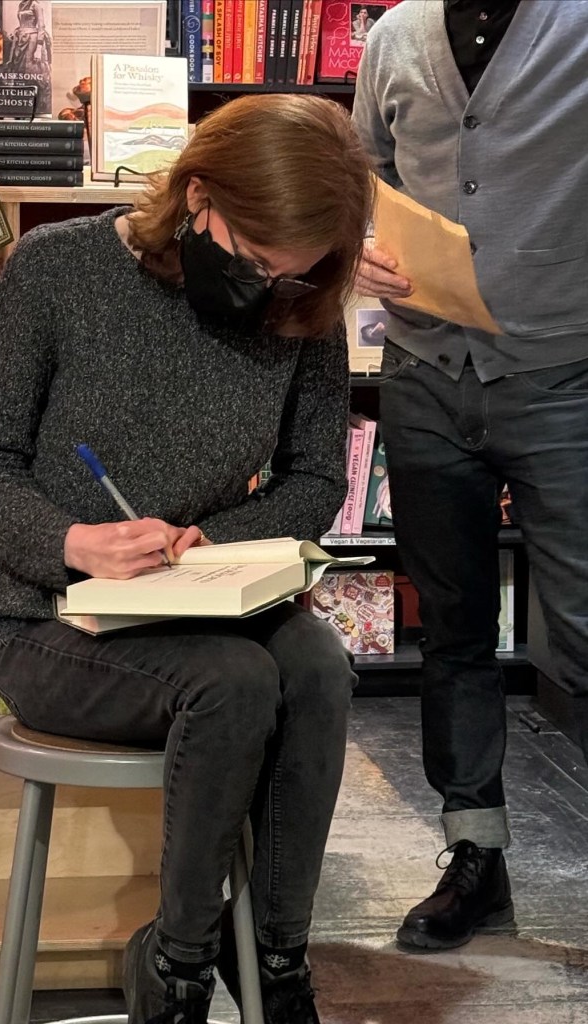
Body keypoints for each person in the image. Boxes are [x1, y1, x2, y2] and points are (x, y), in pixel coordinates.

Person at [0, 93, 373, 1024]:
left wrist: (209, 541)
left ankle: (276, 954)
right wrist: (72, 541)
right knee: (231, 686)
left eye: (292, 276)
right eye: (256, 263)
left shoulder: (302, 305)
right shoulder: (58, 270)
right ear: (197, 196)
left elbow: (314, 480)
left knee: (320, 668)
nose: (268, 292)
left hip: (209, 599)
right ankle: (177, 968)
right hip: (55, 620)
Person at [352, 0, 588, 953]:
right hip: (423, 378)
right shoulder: (394, 37)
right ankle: (474, 856)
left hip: (564, 374)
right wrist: (358, 246)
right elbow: (359, 169)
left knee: (583, 630)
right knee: (452, 628)